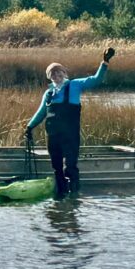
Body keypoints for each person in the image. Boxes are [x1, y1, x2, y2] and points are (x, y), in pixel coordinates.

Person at [25, 47, 116, 196]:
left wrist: (105, 62)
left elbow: (96, 79)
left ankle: (73, 197)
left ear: (64, 73)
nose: (56, 75)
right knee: (56, 167)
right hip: (53, 136)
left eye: (59, 72)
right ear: (50, 77)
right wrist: (29, 127)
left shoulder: (75, 85)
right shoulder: (48, 94)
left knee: (70, 165)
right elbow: (41, 112)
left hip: (70, 135)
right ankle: (61, 196)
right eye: (52, 73)